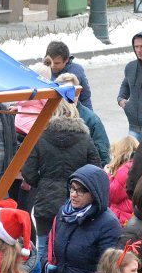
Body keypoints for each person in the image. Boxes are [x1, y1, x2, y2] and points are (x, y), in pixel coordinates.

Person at [21, 102, 101, 248]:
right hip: (77, 202)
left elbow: (28, 171)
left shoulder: (42, 137)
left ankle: (43, 271)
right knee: (72, 247)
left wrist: (42, 183)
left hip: (46, 201)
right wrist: (83, 187)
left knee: (43, 247)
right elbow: (96, 169)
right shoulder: (84, 138)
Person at [54, 73, 110, 164]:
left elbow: (103, 152)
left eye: (74, 92)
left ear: (79, 92)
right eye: (66, 93)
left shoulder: (92, 119)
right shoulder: (50, 116)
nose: (71, 97)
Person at [44, 40, 93, 109]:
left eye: (56, 63)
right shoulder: (43, 70)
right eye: (50, 62)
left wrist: (89, 116)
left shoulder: (76, 71)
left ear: (66, 60)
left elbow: (85, 97)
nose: (52, 66)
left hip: (72, 112)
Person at [106, 136, 139, 226]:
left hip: (122, 217)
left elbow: (112, 195)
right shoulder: (139, 165)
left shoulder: (125, 169)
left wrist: (107, 175)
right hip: (131, 214)